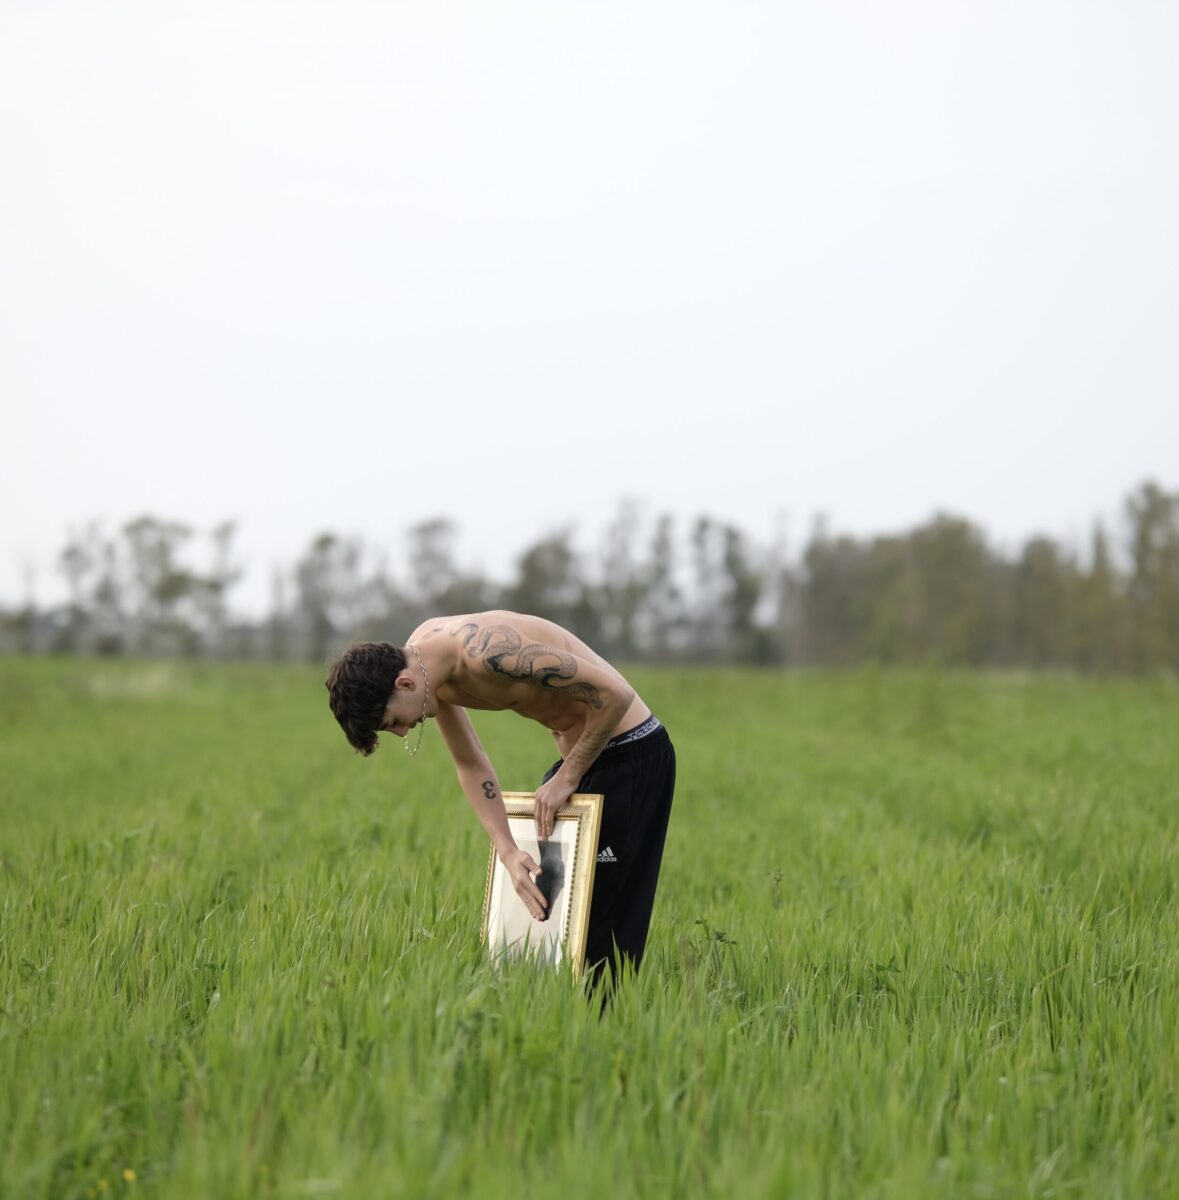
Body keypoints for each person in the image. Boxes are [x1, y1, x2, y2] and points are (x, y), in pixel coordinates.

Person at [325, 610, 676, 987]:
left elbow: (616, 696)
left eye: (392, 722)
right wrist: (507, 850)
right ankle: (564, 1027)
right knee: (556, 923)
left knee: (603, 931)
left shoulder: (490, 653)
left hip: (631, 754)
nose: (400, 732)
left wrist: (567, 776)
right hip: (581, 763)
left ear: (405, 684)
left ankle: (611, 1031)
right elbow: (470, 762)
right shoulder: (425, 666)